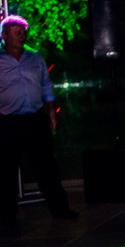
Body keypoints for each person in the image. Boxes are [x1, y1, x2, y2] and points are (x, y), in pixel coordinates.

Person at [0, 15, 76, 232]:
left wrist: (51, 111)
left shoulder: (34, 57)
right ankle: (6, 215)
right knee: (6, 169)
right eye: (17, 33)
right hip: (7, 120)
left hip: (34, 117)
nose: (22, 36)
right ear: (4, 35)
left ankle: (60, 209)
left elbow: (45, 84)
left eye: (23, 32)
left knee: (47, 166)